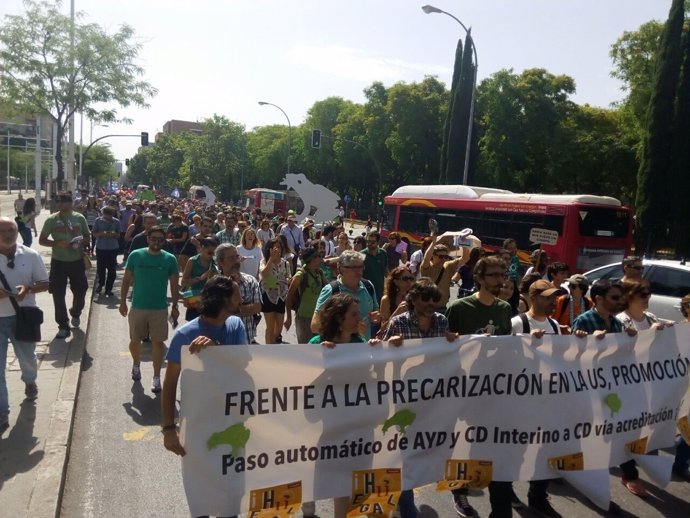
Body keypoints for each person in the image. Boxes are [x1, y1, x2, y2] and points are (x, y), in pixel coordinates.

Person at [446, 256, 561, 518]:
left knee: (498, 450)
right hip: (466, 393)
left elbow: (509, 348)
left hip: (497, 394)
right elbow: (445, 351)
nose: (501, 279)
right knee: (466, 450)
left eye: (503, 274)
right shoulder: (459, 308)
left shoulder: (503, 309)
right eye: (494, 275)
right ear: (479, 278)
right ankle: (460, 492)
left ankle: (499, 510)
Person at [161, 275, 245, 518]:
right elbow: (169, 385)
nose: (241, 299)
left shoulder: (236, 325)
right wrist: (168, 429)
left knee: (231, 497)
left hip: (232, 425)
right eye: (236, 294)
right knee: (202, 496)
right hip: (198, 429)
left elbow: (243, 366)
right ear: (222, 299)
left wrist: (215, 350)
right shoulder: (185, 335)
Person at [572, 279, 640, 506]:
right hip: (590, 393)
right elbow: (572, 359)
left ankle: (628, 474)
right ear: (599, 299)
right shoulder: (584, 321)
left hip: (611, 390)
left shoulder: (617, 323)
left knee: (618, 431)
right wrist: (589, 341)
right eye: (614, 297)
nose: (620, 302)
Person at [0, 217, 50, 434]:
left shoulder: (30, 255)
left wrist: (27, 289)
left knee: (28, 361)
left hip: (23, 318)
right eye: (3, 231)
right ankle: (2, 412)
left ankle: (30, 381)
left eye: (12, 230)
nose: (9, 234)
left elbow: (46, 283)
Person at [119, 226, 180, 393]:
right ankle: (136, 364)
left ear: (165, 240)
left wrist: (175, 306)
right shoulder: (136, 255)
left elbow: (174, 285)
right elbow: (126, 280)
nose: (157, 242)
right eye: (154, 239)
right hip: (138, 306)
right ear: (148, 238)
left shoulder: (169, 259)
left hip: (159, 309)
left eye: (160, 240)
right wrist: (122, 302)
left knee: (158, 343)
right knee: (134, 341)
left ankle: (156, 377)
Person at [39, 192, 90, 339]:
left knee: (81, 290)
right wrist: (56, 243)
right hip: (58, 262)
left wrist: (80, 242)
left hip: (77, 261)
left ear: (70, 202)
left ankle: (76, 311)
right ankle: (63, 325)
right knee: (57, 293)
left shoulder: (79, 218)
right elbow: (42, 240)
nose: (60, 204)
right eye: (58, 202)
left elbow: (87, 236)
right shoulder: (51, 220)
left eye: (63, 201)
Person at [312, 250, 379, 340]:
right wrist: (348, 329)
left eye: (361, 267)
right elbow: (315, 326)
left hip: (363, 348)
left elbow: (376, 312)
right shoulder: (331, 290)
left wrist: (377, 318)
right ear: (341, 269)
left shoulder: (368, 286)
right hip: (339, 349)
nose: (359, 271)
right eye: (354, 268)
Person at [215, 244, 262, 344]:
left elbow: (257, 307)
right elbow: (212, 311)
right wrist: (244, 308)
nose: (236, 261)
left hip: (246, 339)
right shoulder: (213, 284)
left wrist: (226, 310)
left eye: (237, 257)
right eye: (231, 258)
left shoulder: (250, 281)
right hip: (220, 342)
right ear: (221, 263)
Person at [285, 246, 326, 344]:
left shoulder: (319, 273)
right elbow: (289, 297)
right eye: (318, 256)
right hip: (304, 318)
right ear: (312, 259)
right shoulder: (300, 275)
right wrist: (289, 318)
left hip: (318, 317)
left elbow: (328, 289)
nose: (321, 259)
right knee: (305, 348)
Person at [259, 237, 291, 344]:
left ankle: (273, 342)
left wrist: (286, 280)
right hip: (268, 295)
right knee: (270, 326)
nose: (277, 249)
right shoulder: (264, 261)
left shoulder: (285, 263)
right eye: (274, 247)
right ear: (269, 249)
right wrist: (271, 259)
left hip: (281, 296)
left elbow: (289, 277)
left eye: (279, 247)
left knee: (279, 328)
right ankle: (269, 349)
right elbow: (263, 274)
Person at [420, 238, 465, 310]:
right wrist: (434, 241)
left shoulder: (448, 265)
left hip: (443, 308)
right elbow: (426, 258)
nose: (443, 259)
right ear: (433, 256)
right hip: (427, 307)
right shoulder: (427, 267)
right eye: (440, 257)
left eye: (446, 257)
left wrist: (463, 242)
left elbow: (465, 258)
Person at [180, 236, 218, 321]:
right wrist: (200, 278)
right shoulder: (192, 261)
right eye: (210, 252)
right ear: (203, 247)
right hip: (195, 300)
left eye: (214, 253)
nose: (212, 255)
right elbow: (183, 282)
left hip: (209, 300)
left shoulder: (214, 262)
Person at [92, 206, 121, 297]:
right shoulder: (98, 220)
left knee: (112, 270)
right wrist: (102, 233)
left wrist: (114, 234)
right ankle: (101, 284)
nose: (108, 217)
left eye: (110, 215)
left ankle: (109, 289)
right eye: (106, 215)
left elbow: (119, 235)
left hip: (112, 248)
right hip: (101, 247)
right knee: (101, 268)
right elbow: (94, 233)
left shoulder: (116, 221)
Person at [379, 266, 415, 331]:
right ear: (396, 282)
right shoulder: (387, 300)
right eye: (405, 278)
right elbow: (383, 328)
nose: (409, 281)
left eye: (411, 278)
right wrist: (397, 313)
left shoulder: (414, 298)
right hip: (394, 336)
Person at [361, 230, 388, 303]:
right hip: (365, 291)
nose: (369, 244)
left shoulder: (383, 254)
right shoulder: (362, 254)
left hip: (379, 291)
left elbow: (386, 271)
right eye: (368, 241)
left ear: (378, 243)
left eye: (372, 242)